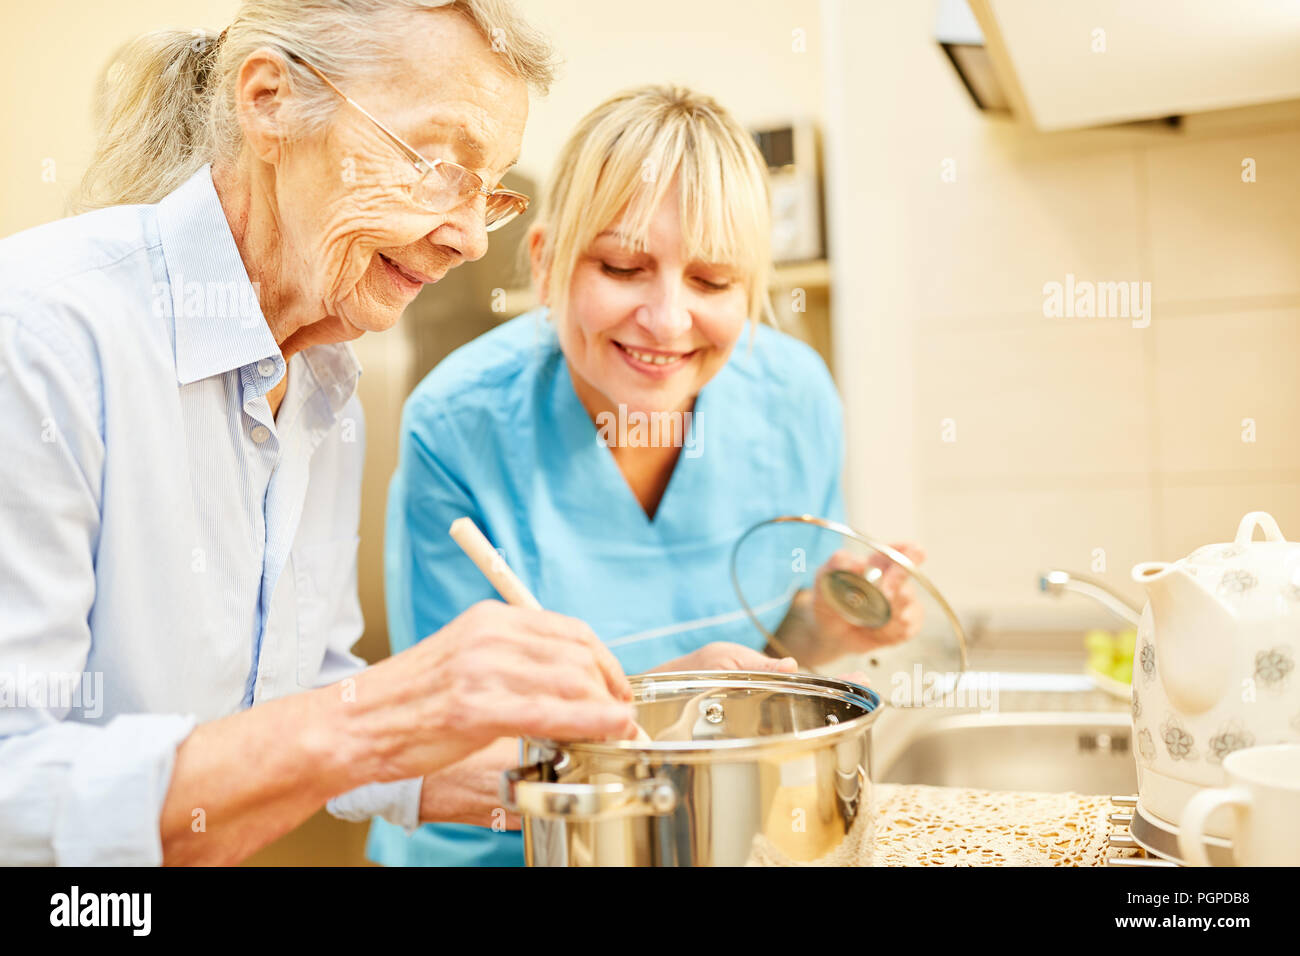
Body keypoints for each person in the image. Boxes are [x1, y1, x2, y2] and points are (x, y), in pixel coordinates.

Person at [0, 0, 640, 867]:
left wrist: (591, 781)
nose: (464, 239)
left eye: (485, 192)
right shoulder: (38, 335)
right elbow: (15, 788)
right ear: (268, 102)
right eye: (438, 165)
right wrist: (385, 713)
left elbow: (299, 697)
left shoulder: (325, 374)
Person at [372, 84, 927, 867]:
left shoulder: (794, 399)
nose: (668, 320)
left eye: (712, 282)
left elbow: (767, 644)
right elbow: (433, 739)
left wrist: (822, 629)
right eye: (624, 266)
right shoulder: (461, 425)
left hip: (718, 839)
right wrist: (656, 707)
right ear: (545, 262)